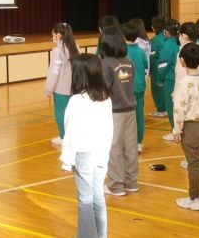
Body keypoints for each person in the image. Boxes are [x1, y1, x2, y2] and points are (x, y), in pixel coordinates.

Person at [60, 53, 113, 238]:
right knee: (97, 196)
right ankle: (100, 235)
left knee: (85, 200)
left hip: (84, 154)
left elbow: (70, 132)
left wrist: (67, 160)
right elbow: (109, 127)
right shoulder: (105, 97)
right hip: (101, 152)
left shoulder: (76, 101)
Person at [172, 42, 199, 211]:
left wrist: (177, 130)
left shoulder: (185, 82)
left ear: (182, 61)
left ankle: (194, 198)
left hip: (191, 127)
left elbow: (179, 108)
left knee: (193, 164)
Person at [100, 26, 138, 197]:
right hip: (130, 109)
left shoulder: (106, 63)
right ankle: (131, 182)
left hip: (113, 111)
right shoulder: (128, 61)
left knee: (114, 147)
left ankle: (116, 185)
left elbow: (103, 90)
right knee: (130, 146)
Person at [45, 22, 79, 145]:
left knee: (61, 113)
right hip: (74, 87)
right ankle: (72, 136)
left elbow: (54, 72)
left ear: (58, 35)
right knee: (72, 114)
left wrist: (48, 89)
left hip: (61, 89)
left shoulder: (57, 51)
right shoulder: (75, 48)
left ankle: (63, 136)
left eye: (53, 34)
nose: (52, 37)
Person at [122, 21, 148, 152]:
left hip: (126, 89)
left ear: (123, 36)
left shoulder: (122, 53)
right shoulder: (141, 52)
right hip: (140, 88)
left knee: (125, 116)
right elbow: (145, 67)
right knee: (139, 115)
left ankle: (127, 143)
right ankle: (139, 142)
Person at [157, 19, 180, 138]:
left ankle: (175, 132)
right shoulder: (181, 42)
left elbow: (163, 65)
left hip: (171, 80)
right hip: (183, 78)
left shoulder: (168, 45)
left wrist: (159, 79)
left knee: (171, 107)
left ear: (166, 32)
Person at [149, 16, 167, 118]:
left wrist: (149, 70)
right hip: (168, 68)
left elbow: (152, 57)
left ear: (154, 27)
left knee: (157, 88)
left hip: (157, 67)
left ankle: (161, 110)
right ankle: (167, 108)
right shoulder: (167, 37)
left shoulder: (155, 41)